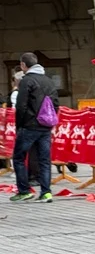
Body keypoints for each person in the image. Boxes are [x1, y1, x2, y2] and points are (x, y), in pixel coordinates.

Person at [11, 52, 59, 203]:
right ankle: (46, 192)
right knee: (44, 160)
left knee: (19, 158)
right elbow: (55, 103)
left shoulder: (27, 80)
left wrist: (19, 125)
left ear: (23, 65)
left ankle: (24, 191)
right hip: (45, 126)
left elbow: (21, 105)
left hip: (29, 126)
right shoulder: (48, 80)